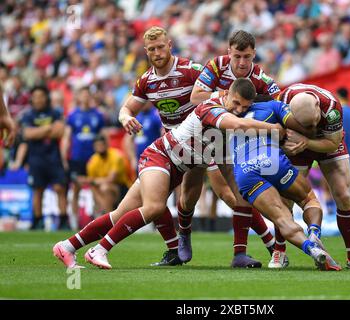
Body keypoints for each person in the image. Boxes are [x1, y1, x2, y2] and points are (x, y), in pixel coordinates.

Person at [53, 78, 283, 269]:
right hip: (159, 157)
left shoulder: (226, 132)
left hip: (173, 168)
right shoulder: (211, 107)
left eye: (245, 107)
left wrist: (250, 196)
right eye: (237, 103)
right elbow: (237, 124)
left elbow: (230, 176)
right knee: (154, 207)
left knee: (119, 215)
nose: (239, 109)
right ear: (226, 93)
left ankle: (67, 246)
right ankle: (99, 250)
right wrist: (273, 128)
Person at [118, 26, 240, 266]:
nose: (157, 52)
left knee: (228, 193)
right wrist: (125, 118)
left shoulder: (191, 70)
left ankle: (259, 244)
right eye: (151, 49)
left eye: (161, 47)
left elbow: (216, 92)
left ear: (170, 45)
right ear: (146, 51)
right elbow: (127, 107)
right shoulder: (146, 81)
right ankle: (179, 242)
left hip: (208, 139)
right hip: (175, 148)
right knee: (174, 199)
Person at [190, 29, 281, 267]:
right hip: (205, 135)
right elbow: (195, 97)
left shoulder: (259, 76)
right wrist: (226, 94)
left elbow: (279, 100)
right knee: (195, 194)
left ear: (254, 55)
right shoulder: (216, 66)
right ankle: (179, 241)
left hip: (234, 140)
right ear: (229, 51)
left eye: (247, 57)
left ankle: (243, 252)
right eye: (238, 56)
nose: (242, 62)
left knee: (240, 194)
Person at [233, 98, 342, 270]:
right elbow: (303, 128)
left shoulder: (226, 115)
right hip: (271, 159)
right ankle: (314, 233)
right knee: (307, 199)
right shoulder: (272, 105)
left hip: (245, 171)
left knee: (281, 218)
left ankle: (311, 249)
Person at [278, 83, 350, 270]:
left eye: (314, 122)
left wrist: (307, 140)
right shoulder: (282, 100)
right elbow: (274, 131)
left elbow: (332, 143)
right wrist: (284, 144)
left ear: (317, 107)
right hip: (297, 144)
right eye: (307, 125)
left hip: (327, 140)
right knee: (285, 199)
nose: (312, 127)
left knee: (344, 195)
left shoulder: (331, 108)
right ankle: (279, 252)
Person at [20, 86, 69, 230]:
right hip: (36, 159)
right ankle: (37, 220)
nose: (38, 99)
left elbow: (59, 132)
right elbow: (27, 134)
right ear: (32, 99)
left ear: (46, 98)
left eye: (41, 96)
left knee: (60, 188)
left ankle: (63, 220)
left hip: (54, 157)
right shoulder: (28, 115)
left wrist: (38, 132)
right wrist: (48, 129)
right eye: (35, 96)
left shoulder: (55, 113)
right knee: (38, 190)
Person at [61, 87, 105, 224]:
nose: (85, 97)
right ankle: (74, 220)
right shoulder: (73, 115)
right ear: (78, 97)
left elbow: (102, 136)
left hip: (93, 157)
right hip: (77, 157)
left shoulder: (97, 115)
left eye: (87, 95)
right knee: (76, 188)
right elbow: (67, 137)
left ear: (90, 97)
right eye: (83, 94)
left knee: (95, 187)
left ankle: (98, 219)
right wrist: (64, 156)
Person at [78, 135, 132, 213]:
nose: (100, 148)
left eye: (102, 145)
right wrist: (91, 181)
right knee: (94, 188)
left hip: (121, 187)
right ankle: (105, 213)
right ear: (94, 147)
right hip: (102, 189)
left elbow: (111, 179)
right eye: (98, 146)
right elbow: (92, 181)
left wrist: (91, 181)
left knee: (105, 187)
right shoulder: (92, 161)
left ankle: (106, 215)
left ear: (106, 145)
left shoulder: (116, 156)